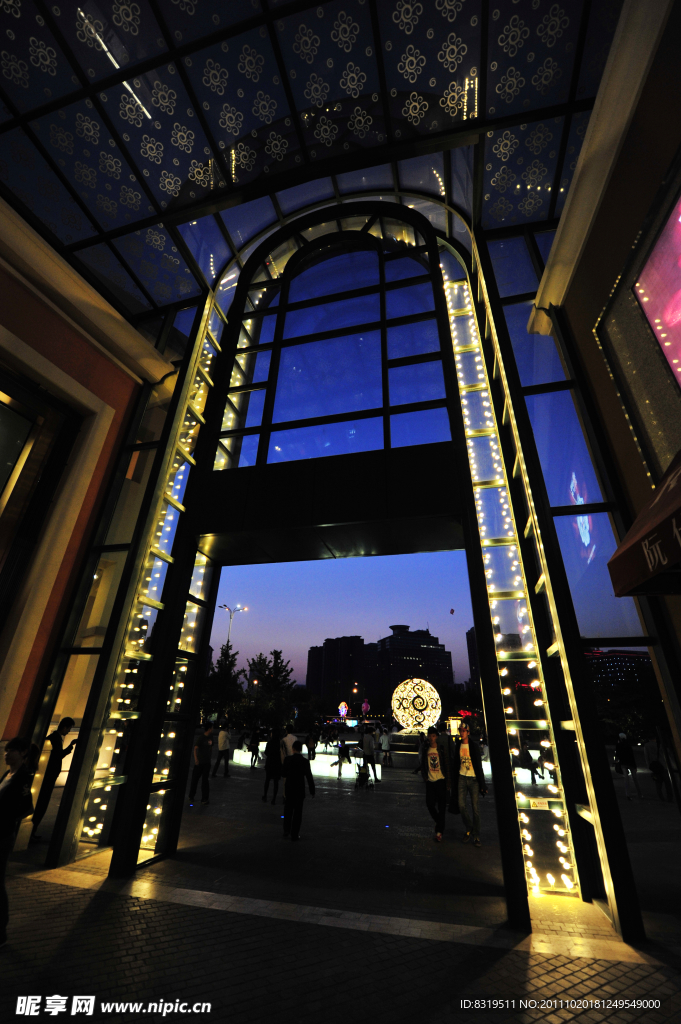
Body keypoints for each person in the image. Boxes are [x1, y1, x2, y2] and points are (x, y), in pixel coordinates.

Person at [1, 737, 36, 947]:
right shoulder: (8, 774)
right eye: (6, 750)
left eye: (12, 750)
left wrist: (7, 817)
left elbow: (27, 808)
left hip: (2, 835)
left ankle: (0, 932)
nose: (7, 753)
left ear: (23, 754)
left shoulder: (23, 777)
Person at [31, 717, 76, 840]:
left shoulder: (53, 738)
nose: (68, 731)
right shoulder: (55, 739)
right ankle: (32, 831)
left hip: (48, 775)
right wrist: (70, 747)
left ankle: (32, 831)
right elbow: (57, 756)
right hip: (49, 776)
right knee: (42, 804)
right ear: (65, 727)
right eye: (69, 728)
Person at [453, 722, 488, 847]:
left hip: (474, 779)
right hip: (462, 777)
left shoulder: (473, 746)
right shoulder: (458, 745)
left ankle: (476, 835)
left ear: (468, 732)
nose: (461, 733)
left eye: (464, 731)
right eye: (460, 731)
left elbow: (479, 765)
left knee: (475, 808)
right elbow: (456, 762)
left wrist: (483, 785)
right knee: (461, 805)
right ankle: (469, 828)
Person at [420, 727, 451, 842]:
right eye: (430, 736)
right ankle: (439, 822)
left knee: (442, 807)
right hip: (430, 782)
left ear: (436, 737)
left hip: (441, 781)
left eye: (433, 736)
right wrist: (425, 777)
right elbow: (422, 764)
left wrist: (448, 782)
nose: (431, 738)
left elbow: (447, 765)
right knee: (429, 804)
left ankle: (439, 832)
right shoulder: (426, 749)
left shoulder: (441, 749)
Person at [281, 740, 315, 840]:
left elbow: (283, 774)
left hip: (289, 789)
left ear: (293, 749)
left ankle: (286, 830)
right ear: (301, 749)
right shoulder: (304, 761)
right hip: (299, 790)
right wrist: (312, 790)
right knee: (297, 813)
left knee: (288, 811)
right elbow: (309, 777)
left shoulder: (288, 760)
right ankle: (294, 834)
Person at [189, 722, 213, 804]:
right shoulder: (201, 738)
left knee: (205, 781)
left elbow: (211, 748)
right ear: (209, 729)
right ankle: (191, 796)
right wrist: (196, 759)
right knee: (195, 780)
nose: (212, 729)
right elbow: (195, 748)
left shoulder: (211, 737)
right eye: (212, 728)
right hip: (200, 762)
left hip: (207, 762)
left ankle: (204, 798)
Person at [643, 735, 673, 801]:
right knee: (667, 783)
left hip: (655, 766)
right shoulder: (660, 744)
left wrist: (649, 766)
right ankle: (670, 797)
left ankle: (661, 797)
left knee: (658, 783)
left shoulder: (646, 746)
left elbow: (646, 757)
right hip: (663, 765)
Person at [615, 732, 642, 800]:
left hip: (623, 763)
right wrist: (635, 766)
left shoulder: (618, 745)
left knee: (626, 779)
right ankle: (640, 794)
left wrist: (617, 761)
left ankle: (628, 794)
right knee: (635, 778)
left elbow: (617, 755)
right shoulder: (628, 745)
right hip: (631, 763)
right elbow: (632, 756)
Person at [262, 729, 282, 804]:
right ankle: (274, 799)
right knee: (276, 782)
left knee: (267, 780)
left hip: (270, 763)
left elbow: (266, 752)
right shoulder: (280, 743)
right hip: (277, 763)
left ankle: (265, 796)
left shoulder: (269, 743)